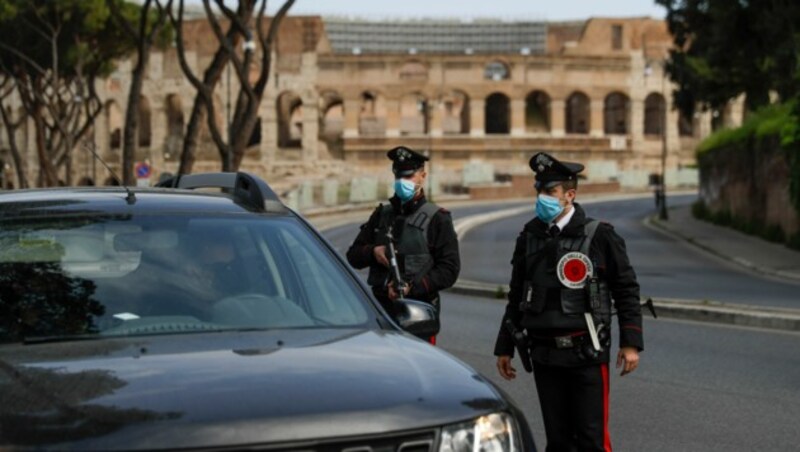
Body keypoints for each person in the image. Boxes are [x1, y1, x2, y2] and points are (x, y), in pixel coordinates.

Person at [494, 152, 643, 451]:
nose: (542, 197)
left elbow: (626, 288)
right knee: (558, 442)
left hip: (585, 352)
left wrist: (631, 342)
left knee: (591, 440)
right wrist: (504, 347)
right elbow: (516, 295)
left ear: (569, 195)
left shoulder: (599, 235)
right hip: (544, 353)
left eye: (550, 192)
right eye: (540, 191)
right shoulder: (529, 236)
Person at [346, 146, 460, 341]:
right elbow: (353, 256)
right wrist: (374, 252)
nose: (402, 183)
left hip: (417, 318)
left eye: (409, 177)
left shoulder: (438, 219)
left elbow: (449, 269)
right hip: (381, 315)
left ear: (422, 176)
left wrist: (411, 287)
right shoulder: (382, 215)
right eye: (398, 177)